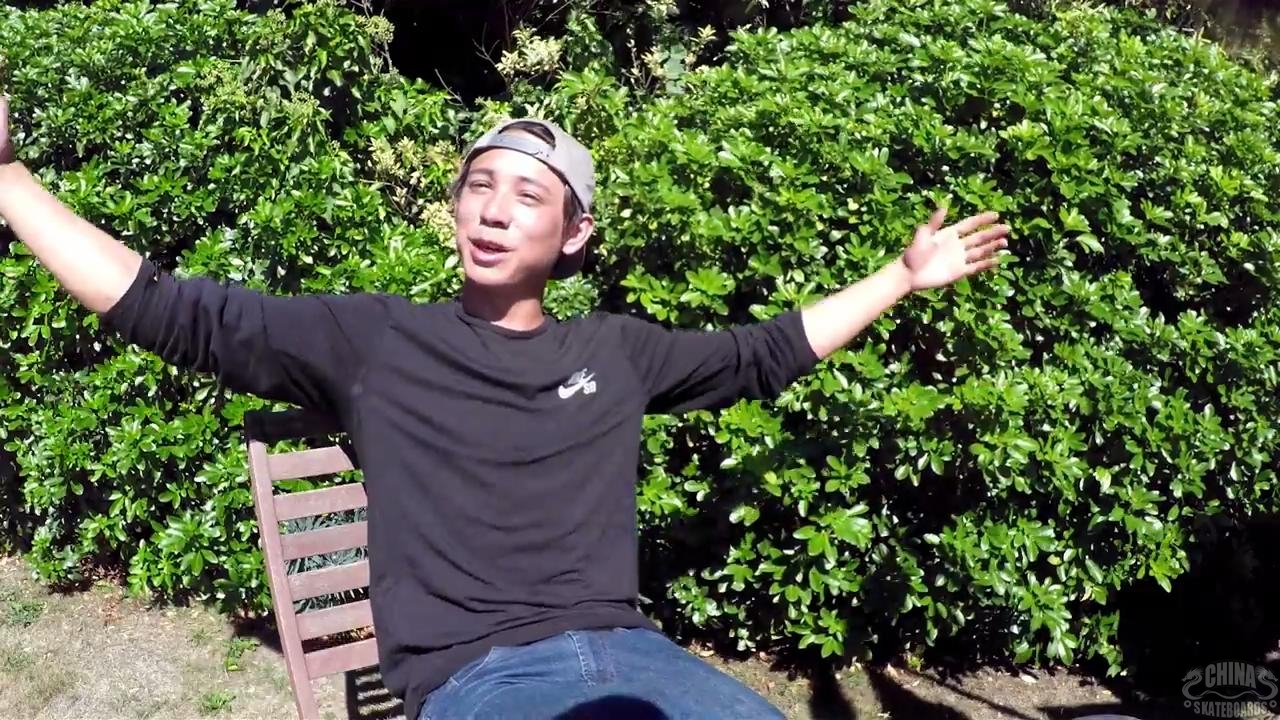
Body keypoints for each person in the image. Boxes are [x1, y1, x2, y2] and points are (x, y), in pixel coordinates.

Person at [0, 95, 1009, 718]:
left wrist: (899, 276)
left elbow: (763, 355)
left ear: (574, 233)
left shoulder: (615, 351)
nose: (491, 209)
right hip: (479, 679)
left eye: (527, 195)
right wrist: (8, 179)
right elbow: (169, 310)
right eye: (478, 186)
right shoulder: (372, 340)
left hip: (637, 657)